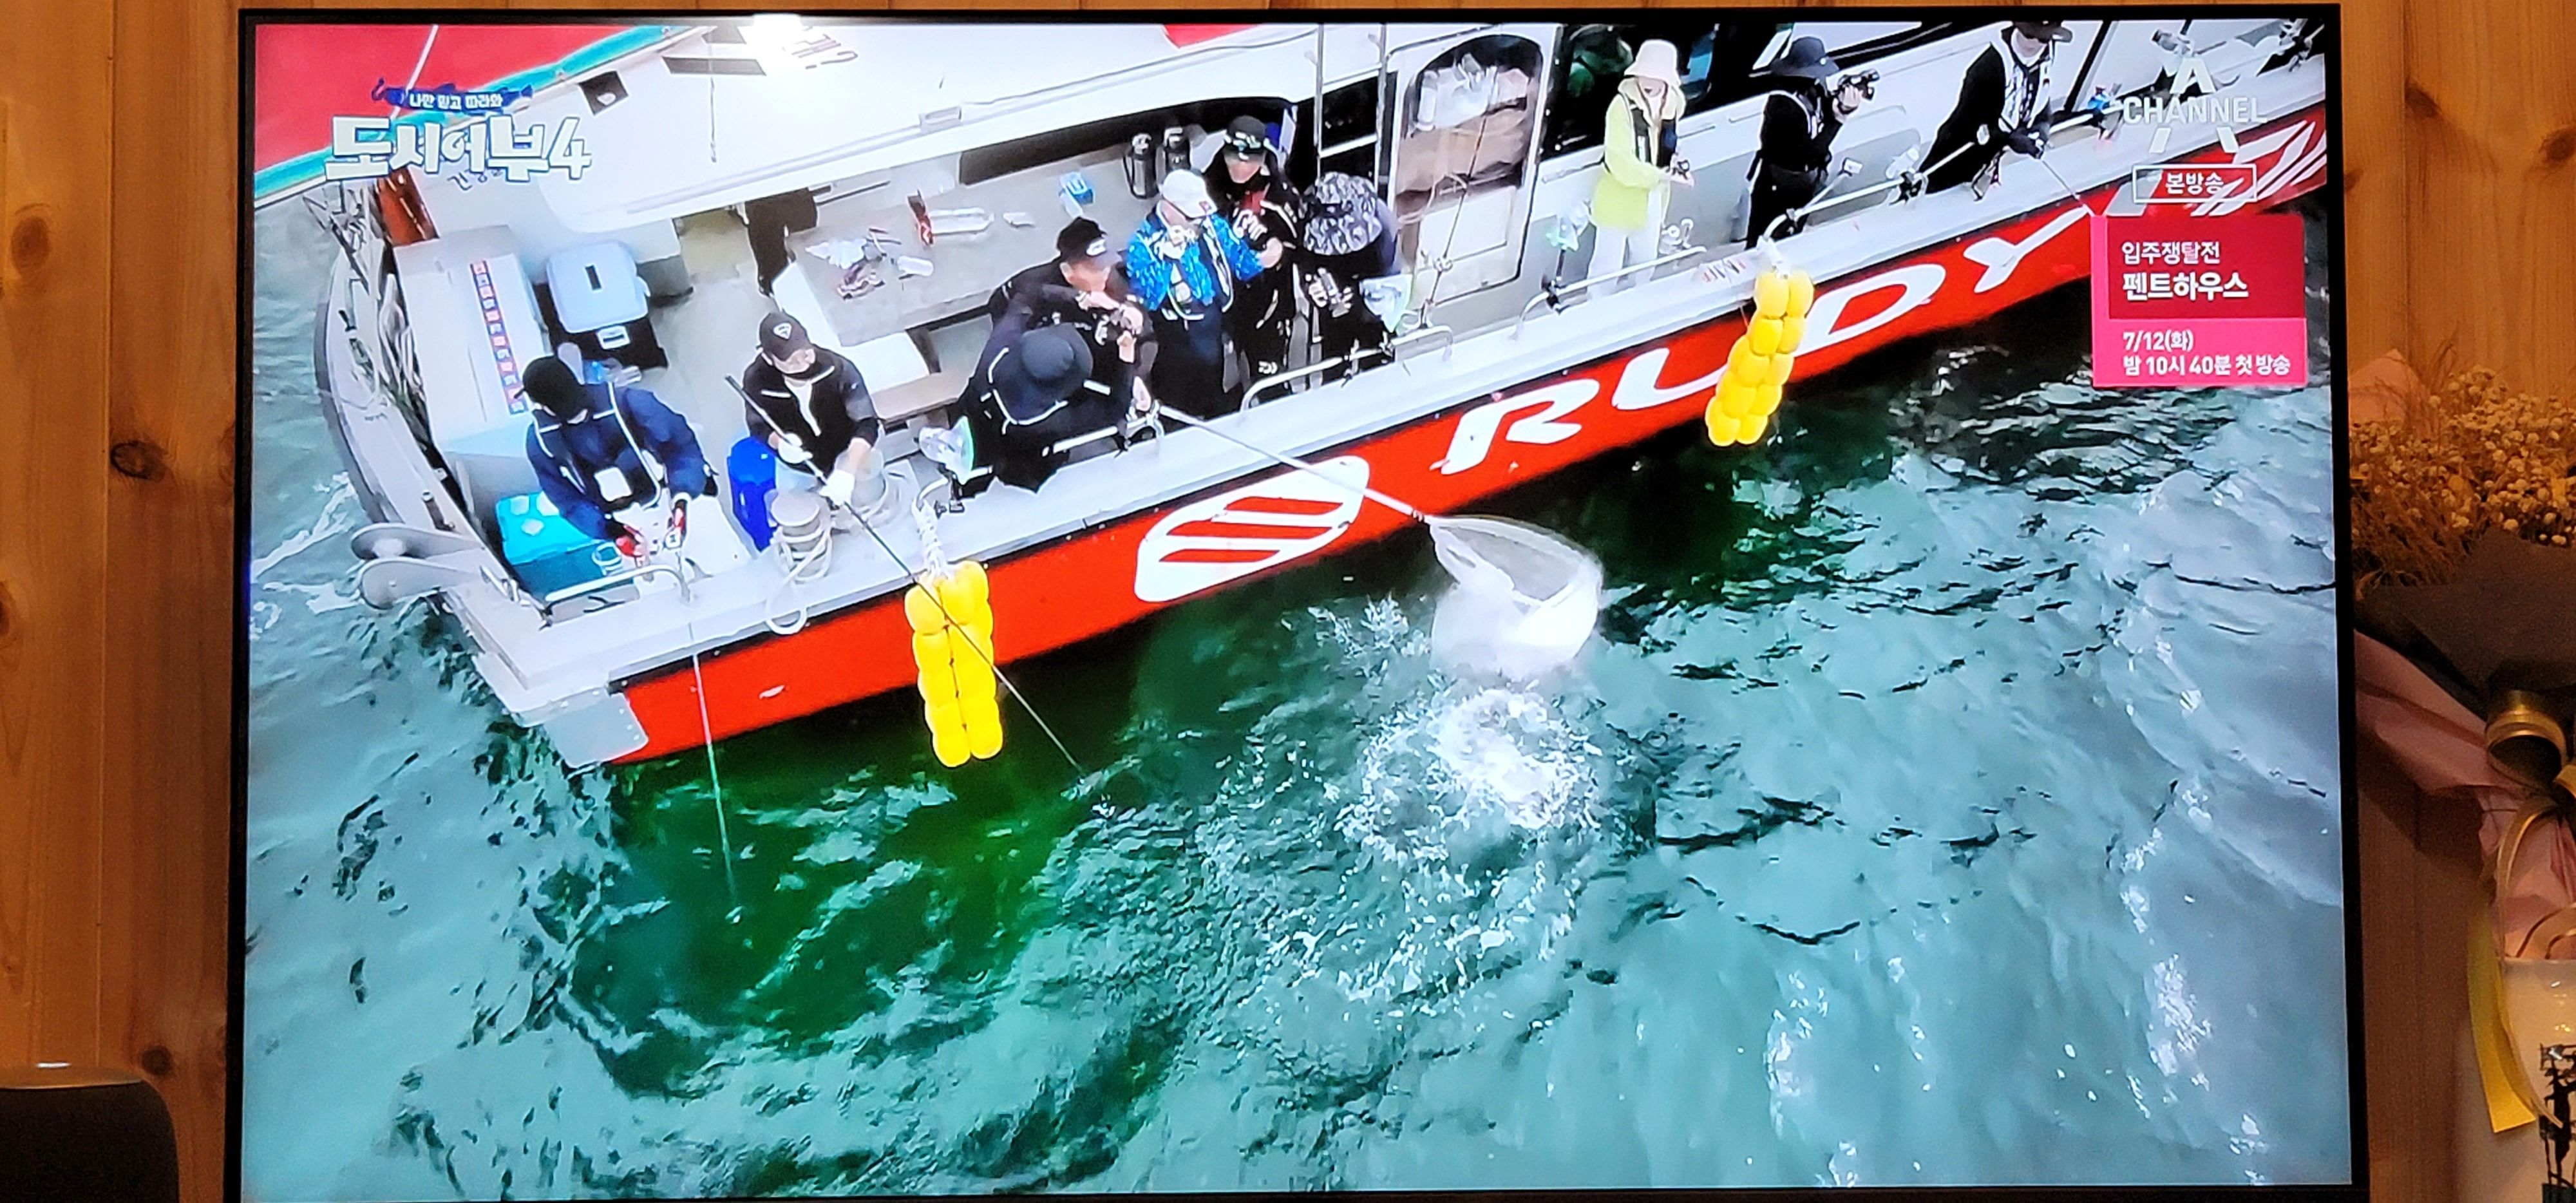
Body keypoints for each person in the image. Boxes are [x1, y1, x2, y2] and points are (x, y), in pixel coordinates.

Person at [520, 355, 712, 556]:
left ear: (539, 404)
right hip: (627, 529)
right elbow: (567, 500)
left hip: (684, 500)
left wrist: (682, 498)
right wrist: (614, 532)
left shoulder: (632, 403)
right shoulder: (541, 443)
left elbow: (681, 447)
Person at [1125, 168, 1265, 419]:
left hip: (1219, 331)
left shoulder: (1212, 225)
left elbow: (1245, 267)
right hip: (1179, 344)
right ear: (1169, 207)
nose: (1199, 222)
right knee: (1180, 409)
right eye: (1192, 216)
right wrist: (1167, 259)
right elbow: (1149, 297)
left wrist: (1252, 240)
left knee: (1224, 399)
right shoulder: (1142, 244)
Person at [738, 312, 882, 511]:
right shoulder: (757, 381)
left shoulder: (838, 369)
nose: (803, 364)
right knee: (801, 511)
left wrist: (847, 470)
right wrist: (780, 444)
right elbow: (757, 425)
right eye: (790, 360)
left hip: (847, 451)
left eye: (806, 353)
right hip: (798, 465)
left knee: (865, 499)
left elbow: (867, 422)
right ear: (768, 358)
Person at [1202, 115, 1300, 388]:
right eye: (1233, 157)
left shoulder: (1280, 197)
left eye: (1248, 160)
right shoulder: (1214, 178)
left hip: (1268, 308)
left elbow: (1302, 249)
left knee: (1269, 381)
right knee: (1224, 373)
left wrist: (1279, 253)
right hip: (1225, 300)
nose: (1238, 166)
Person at [1922, 20, 2072, 197]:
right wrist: (2011, 139)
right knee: (1937, 190)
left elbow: (2042, 96)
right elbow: (1970, 125)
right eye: (2028, 34)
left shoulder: (2047, 54)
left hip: (1994, 160)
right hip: (1960, 151)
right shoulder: (1988, 67)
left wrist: (2043, 127)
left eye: (2043, 38)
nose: (2033, 43)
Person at [972, 325, 1128, 491]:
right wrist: (1127, 360)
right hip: (1012, 466)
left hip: (979, 428)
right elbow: (1115, 409)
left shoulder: (992, 366)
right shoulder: (1052, 422)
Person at [1587, 39, 1690, 290]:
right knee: (1606, 267)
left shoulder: (1673, 104)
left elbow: (1666, 144)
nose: (1648, 81)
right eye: (1644, 74)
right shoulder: (1620, 107)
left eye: (1656, 75)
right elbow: (1620, 162)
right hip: (1618, 199)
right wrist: (1662, 176)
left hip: (1654, 197)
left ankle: (1638, 298)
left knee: (1646, 262)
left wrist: (1674, 164)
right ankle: (1596, 306)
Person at [1745, 37, 1868, 243]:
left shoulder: (1814, 86)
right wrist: (1838, 120)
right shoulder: (1783, 106)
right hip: (1780, 182)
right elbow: (1805, 154)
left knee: (1794, 233)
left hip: (1804, 180)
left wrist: (1842, 104)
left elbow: (1823, 110)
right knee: (1766, 237)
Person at [1300, 171, 1403, 375]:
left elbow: (1392, 287)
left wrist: (1361, 301)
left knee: (1379, 366)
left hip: (1375, 299)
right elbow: (1305, 263)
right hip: (1334, 307)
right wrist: (1311, 286)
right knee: (1334, 366)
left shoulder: (1383, 226)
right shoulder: (1307, 218)